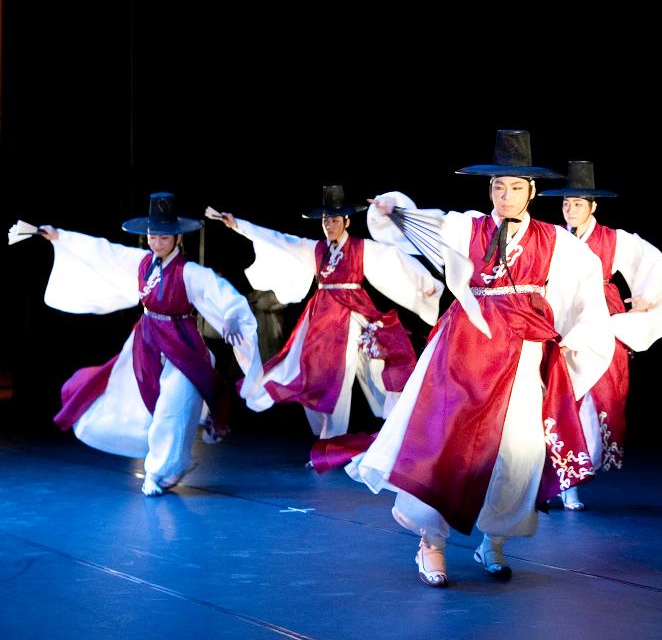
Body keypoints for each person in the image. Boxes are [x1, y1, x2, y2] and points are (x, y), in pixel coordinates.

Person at [347, 130, 614, 588]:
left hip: (523, 352)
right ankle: (430, 541)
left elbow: (591, 292)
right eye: (498, 186)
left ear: (531, 190)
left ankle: (493, 541)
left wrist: (579, 335)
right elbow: (419, 226)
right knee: (445, 440)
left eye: (515, 186)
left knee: (517, 450)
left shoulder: (556, 241)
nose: (505, 195)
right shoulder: (467, 226)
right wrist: (393, 210)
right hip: (467, 344)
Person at [33, 192, 262, 495]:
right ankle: (173, 457)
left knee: (173, 405)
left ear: (177, 238)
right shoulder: (142, 264)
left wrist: (232, 317)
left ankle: (161, 471)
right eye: (153, 236)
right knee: (128, 402)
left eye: (164, 237)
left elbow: (222, 294)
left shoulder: (189, 272)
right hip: (147, 343)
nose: (157, 242)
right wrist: (61, 238)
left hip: (183, 347)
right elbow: (105, 252)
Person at [214, 185, 442, 440]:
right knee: (316, 374)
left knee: (364, 371)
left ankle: (391, 429)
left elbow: (393, 261)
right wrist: (239, 226)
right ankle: (328, 434)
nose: (329, 225)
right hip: (322, 319)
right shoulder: (316, 250)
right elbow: (279, 239)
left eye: (334, 220)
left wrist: (425, 283)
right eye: (325, 220)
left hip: (354, 314)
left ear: (346, 221)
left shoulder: (362, 247)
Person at [539, 160, 662, 510]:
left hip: (600, 318)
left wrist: (649, 298)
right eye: (567, 203)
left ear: (593, 207)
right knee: (556, 398)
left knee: (598, 397)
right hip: (560, 318)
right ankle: (555, 478)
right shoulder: (552, 236)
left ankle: (575, 480)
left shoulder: (614, 240)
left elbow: (651, 261)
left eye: (579, 204)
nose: (571, 209)